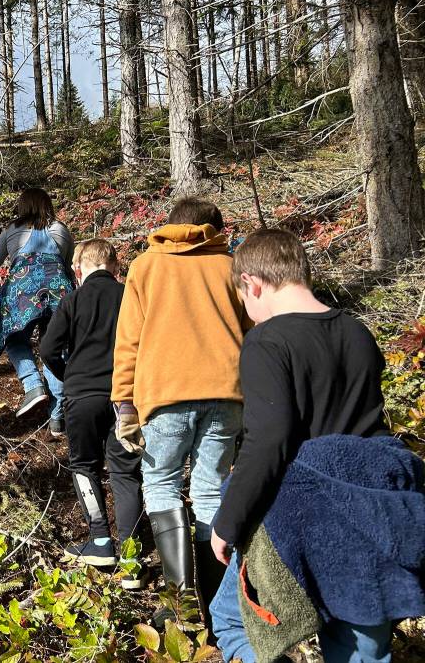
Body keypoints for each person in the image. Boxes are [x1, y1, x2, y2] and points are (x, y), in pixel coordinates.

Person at [207, 229, 423, 663]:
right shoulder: (357, 332)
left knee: (232, 620)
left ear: (253, 283)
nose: (248, 313)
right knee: (361, 644)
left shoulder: (267, 342)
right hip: (365, 510)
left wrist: (227, 522)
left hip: (295, 515)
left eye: (244, 301)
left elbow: (268, 441)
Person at [110, 197, 248, 627]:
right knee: (210, 490)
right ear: (214, 228)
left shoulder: (145, 267)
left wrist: (124, 404)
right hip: (227, 394)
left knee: (161, 485)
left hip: (164, 395)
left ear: (170, 226)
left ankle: (181, 601)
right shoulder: (229, 266)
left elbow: (128, 341)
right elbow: (252, 330)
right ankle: (217, 605)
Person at [39, 239, 145, 585]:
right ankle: (132, 562)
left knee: (84, 466)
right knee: (125, 472)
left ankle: (100, 541)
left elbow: (48, 349)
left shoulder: (72, 300)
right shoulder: (130, 295)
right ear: (116, 267)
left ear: (78, 270)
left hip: (82, 395)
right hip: (125, 397)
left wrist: (67, 374)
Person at [0, 188, 73, 432]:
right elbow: (69, 267)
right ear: (47, 205)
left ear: (22, 207)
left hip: (22, 292)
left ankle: (32, 384)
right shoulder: (60, 229)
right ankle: (57, 418)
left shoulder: (12, 230)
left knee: (14, 338)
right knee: (54, 349)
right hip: (59, 292)